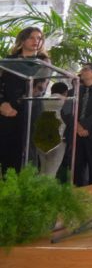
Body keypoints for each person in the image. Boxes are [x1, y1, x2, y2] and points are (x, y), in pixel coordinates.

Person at [0, 26, 49, 174]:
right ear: (22, 39)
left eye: (39, 38)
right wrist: (2, 104)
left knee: (29, 152)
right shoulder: (8, 61)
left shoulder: (43, 62)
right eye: (32, 37)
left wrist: (16, 104)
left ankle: (27, 191)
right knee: (8, 150)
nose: (36, 41)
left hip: (30, 111)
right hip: (6, 111)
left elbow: (40, 88)